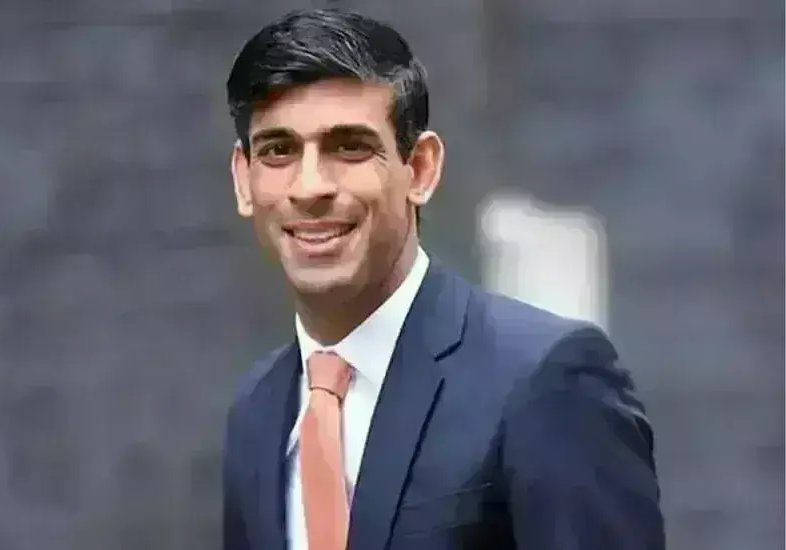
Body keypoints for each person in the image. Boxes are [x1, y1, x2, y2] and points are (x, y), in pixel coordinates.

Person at [220, 8, 665, 550]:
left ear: (422, 168)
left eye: (350, 146)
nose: (309, 186)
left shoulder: (547, 380)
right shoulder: (258, 412)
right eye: (279, 151)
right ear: (243, 179)